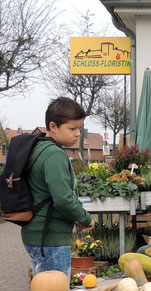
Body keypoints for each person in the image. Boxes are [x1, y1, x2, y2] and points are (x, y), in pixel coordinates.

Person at [22, 97, 95, 279]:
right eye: (72, 128)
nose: (78, 133)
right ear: (53, 126)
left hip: (36, 235)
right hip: (50, 238)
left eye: (79, 128)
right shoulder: (54, 154)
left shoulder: (38, 148)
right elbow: (62, 199)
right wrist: (86, 218)